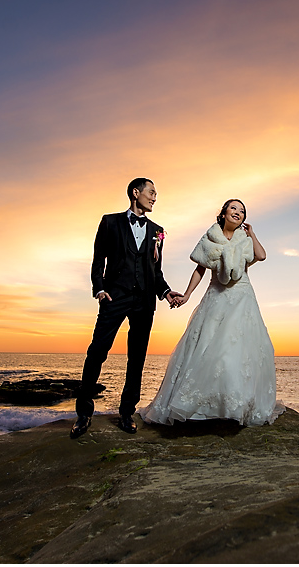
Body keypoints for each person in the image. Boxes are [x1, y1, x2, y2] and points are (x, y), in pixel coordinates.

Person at [139, 199, 285, 426]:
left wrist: (252, 234)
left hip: (242, 297)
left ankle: (235, 405)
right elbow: (200, 268)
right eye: (234, 208)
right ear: (224, 212)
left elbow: (261, 255)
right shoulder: (210, 239)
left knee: (236, 350)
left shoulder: (245, 240)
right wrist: (187, 295)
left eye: (242, 211)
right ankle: (204, 406)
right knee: (206, 347)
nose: (238, 212)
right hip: (216, 295)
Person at [71, 178, 182, 438]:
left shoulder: (158, 230)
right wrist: (99, 288)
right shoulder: (110, 222)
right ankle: (84, 413)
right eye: (151, 192)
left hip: (144, 302)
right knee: (97, 351)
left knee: (137, 358)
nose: (155, 197)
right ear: (136, 192)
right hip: (114, 296)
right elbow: (98, 260)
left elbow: (155, 270)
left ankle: (126, 412)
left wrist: (166, 293)